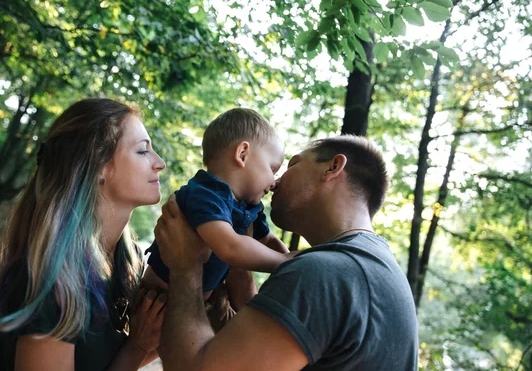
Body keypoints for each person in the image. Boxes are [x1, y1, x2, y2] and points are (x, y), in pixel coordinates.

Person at [154, 135, 419, 370]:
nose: (275, 181)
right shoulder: (372, 268)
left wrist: (186, 266)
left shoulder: (324, 273)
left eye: (291, 165)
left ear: (333, 167)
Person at [0, 98, 168, 371]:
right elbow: (133, 351)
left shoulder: (126, 261)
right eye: (143, 151)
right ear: (99, 167)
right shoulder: (52, 283)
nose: (160, 163)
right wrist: (137, 347)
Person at [143, 108, 293, 316]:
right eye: (273, 169)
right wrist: (287, 262)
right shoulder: (206, 193)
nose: (274, 182)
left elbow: (267, 241)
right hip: (156, 303)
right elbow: (229, 247)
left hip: (193, 305)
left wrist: (296, 263)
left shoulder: (247, 207)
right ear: (242, 154)